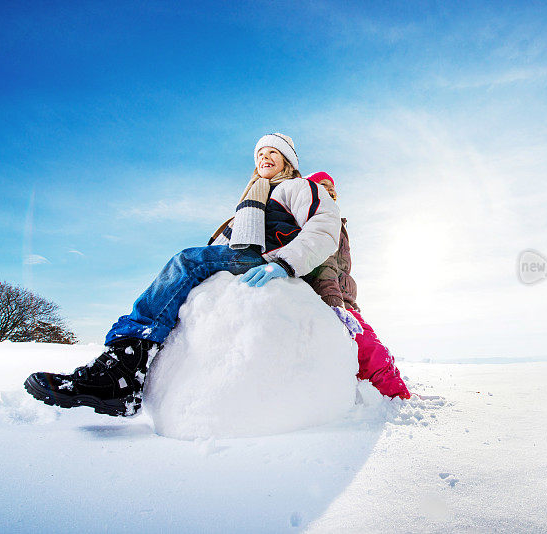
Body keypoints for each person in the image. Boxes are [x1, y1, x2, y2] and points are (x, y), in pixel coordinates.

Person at [24, 134, 341, 416]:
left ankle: (123, 368)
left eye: (272, 152)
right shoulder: (255, 197)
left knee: (186, 261)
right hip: (247, 257)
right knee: (188, 270)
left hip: (263, 258)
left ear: (288, 161)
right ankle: (126, 372)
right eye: (259, 154)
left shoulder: (298, 187)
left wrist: (283, 263)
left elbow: (326, 228)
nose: (264, 158)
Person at [304, 172, 411, 400]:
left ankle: (381, 395)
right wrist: (336, 303)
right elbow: (326, 263)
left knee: (370, 347)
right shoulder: (321, 218)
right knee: (371, 350)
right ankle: (398, 397)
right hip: (333, 297)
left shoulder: (336, 220)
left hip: (345, 298)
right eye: (323, 186)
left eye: (332, 188)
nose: (330, 190)